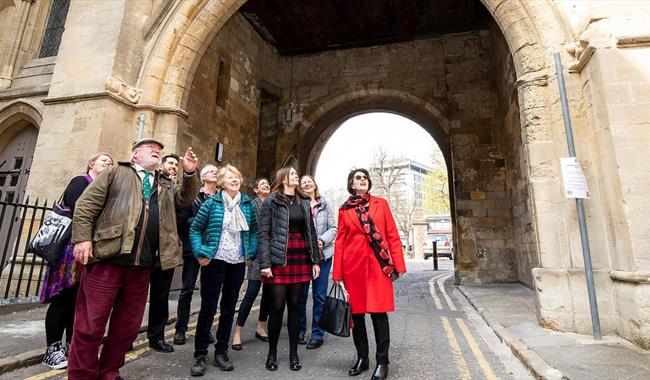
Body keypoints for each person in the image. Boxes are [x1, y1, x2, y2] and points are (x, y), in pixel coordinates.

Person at [68, 139, 199, 380]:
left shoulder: (165, 183)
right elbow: (85, 206)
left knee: (127, 327)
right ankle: (81, 375)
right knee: (90, 326)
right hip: (109, 260)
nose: (156, 150)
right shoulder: (116, 173)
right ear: (136, 154)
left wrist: (189, 172)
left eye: (159, 149)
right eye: (151, 147)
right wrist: (82, 239)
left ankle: (109, 371)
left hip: (143, 266)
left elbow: (185, 199)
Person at [40, 152, 113, 369]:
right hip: (69, 253)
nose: (108, 164)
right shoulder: (80, 181)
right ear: (91, 163)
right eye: (104, 161)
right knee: (62, 299)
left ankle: (73, 346)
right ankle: (52, 349)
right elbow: (79, 206)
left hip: (90, 253)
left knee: (78, 302)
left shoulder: (106, 188)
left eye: (110, 163)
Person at [332, 168, 407, 380]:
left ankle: (382, 362)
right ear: (352, 184)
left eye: (365, 177)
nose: (363, 180)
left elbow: (391, 234)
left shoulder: (380, 204)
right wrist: (337, 274)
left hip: (378, 267)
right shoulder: (345, 210)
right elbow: (340, 242)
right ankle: (362, 358)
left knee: (379, 314)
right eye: (358, 178)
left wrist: (398, 265)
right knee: (356, 316)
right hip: (353, 268)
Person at [188, 164, 257, 377]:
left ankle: (221, 352)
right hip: (215, 261)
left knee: (228, 308)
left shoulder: (247, 204)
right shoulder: (212, 203)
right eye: (229, 177)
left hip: (237, 263)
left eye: (236, 176)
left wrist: (250, 254)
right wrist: (201, 252)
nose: (234, 180)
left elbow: (254, 231)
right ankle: (200, 354)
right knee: (208, 308)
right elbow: (195, 229)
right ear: (221, 182)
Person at [258, 167, 320, 372]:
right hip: (278, 259)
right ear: (283, 177)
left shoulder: (303, 202)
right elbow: (263, 234)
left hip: (300, 256)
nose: (297, 176)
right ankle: (272, 354)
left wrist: (315, 261)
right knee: (276, 307)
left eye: (297, 174)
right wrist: (265, 263)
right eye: (293, 174)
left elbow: (311, 233)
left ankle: (294, 354)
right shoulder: (272, 201)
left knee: (295, 305)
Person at [174, 164, 219, 346]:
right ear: (203, 177)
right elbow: (183, 220)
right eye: (211, 171)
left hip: (214, 249)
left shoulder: (221, 197)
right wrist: (203, 219)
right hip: (193, 248)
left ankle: (205, 328)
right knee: (187, 290)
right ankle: (180, 329)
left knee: (210, 292)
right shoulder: (193, 197)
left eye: (216, 172)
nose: (215, 173)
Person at [298, 174, 337, 349]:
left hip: (323, 256)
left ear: (314, 184)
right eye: (303, 182)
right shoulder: (298, 204)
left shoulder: (325, 203)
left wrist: (322, 240)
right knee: (300, 296)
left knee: (319, 296)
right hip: (303, 257)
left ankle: (317, 334)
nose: (306, 183)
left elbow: (333, 227)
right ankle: (299, 331)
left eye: (309, 181)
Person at [146, 154, 181, 353]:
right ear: (161, 165)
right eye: (170, 163)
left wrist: (191, 173)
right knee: (132, 297)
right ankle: (126, 337)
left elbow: (184, 196)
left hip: (165, 249)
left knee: (160, 297)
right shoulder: (147, 180)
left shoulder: (172, 187)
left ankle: (156, 336)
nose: (174, 167)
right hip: (142, 249)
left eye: (177, 164)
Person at [232, 177, 271, 350]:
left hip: (270, 254)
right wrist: (248, 252)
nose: (266, 185)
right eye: (262, 184)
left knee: (269, 294)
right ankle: (237, 332)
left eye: (267, 184)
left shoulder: (273, 204)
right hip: (256, 254)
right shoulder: (250, 205)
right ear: (255, 190)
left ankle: (261, 326)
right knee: (252, 293)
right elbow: (247, 230)